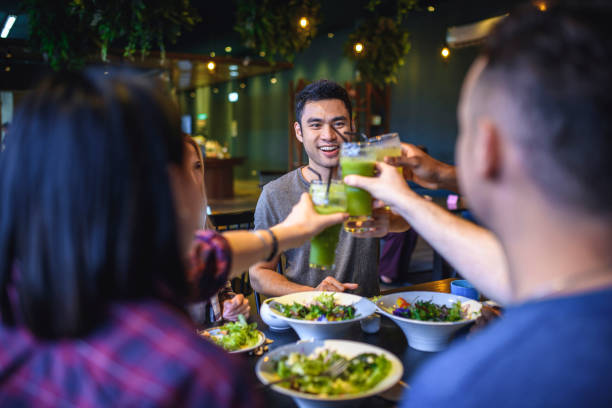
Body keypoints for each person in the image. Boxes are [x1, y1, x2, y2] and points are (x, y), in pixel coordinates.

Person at [0, 69, 346, 406]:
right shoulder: (197, 378)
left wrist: (283, 235)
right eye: (183, 165)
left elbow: (205, 256)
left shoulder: (25, 295)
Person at [345, 2, 612, 406]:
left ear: (487, 147)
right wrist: (433, 184)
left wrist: (407, 199)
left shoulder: (457, 390)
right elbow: (528, 282)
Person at [250, 80, 400, 297]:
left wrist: (390, 220)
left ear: (352, 126)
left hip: (368, 316)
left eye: (338, 124)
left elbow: (406, 224)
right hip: (307, 319)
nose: (329, 135)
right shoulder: (275, 194)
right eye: (315, 125)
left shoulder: (372, 177)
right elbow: (259, 273)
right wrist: (313, 294)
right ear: (299, 131)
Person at [183, 136, 250, 324]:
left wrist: (231, 304)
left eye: (197, 167)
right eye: (181, 167)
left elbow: (223, 288)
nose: (193, 178)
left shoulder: (201, 222)